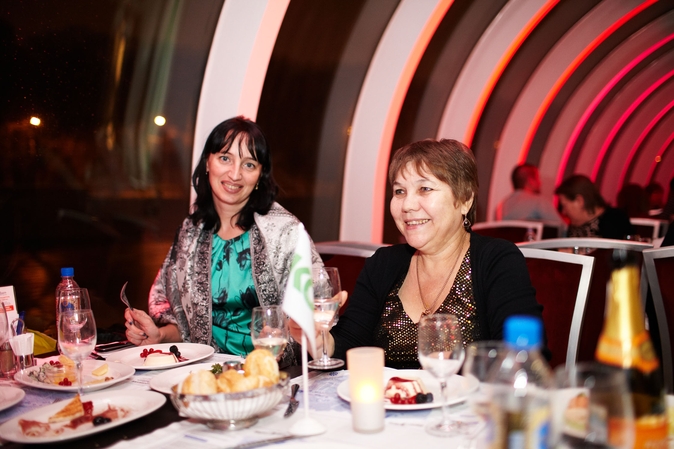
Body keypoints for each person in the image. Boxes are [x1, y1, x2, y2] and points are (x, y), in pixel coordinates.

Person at [292, 139, 546, 369]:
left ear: (465, 200)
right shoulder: (383, 264)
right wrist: (319, 339)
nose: (407, 205)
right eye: (399, 191)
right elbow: (350, 347)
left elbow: (523, 357)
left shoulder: (496, 260)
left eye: (424, 189)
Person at [124, 116, 323, 367]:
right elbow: (187, 328)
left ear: (260, 175)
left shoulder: (285, 232)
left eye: (249, 164)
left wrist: (284, 337)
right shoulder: (190, 233)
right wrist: (160, 335)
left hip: (271, 373)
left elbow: (318, 314)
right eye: (225, 158)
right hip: (203, 370)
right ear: (208, 162)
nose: (235, 174)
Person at [555, 174, 634, 239]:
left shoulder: (616, 219)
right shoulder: (574, 226)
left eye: (565, 205)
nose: (564, 212)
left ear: (579, 201)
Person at [495, 163, 564, 227]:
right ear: (531, 181)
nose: (540, 183)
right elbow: (562, 228)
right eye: (538, 178)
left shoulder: (500, 207)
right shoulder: (538, 201)